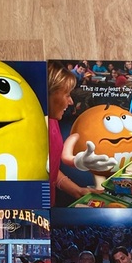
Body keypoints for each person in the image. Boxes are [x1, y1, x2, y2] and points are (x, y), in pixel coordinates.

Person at [48, 61, 94, 204]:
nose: (71, 102)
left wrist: (76, 191)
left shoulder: (53, 120)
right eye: (67, 95)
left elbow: (50, 169)